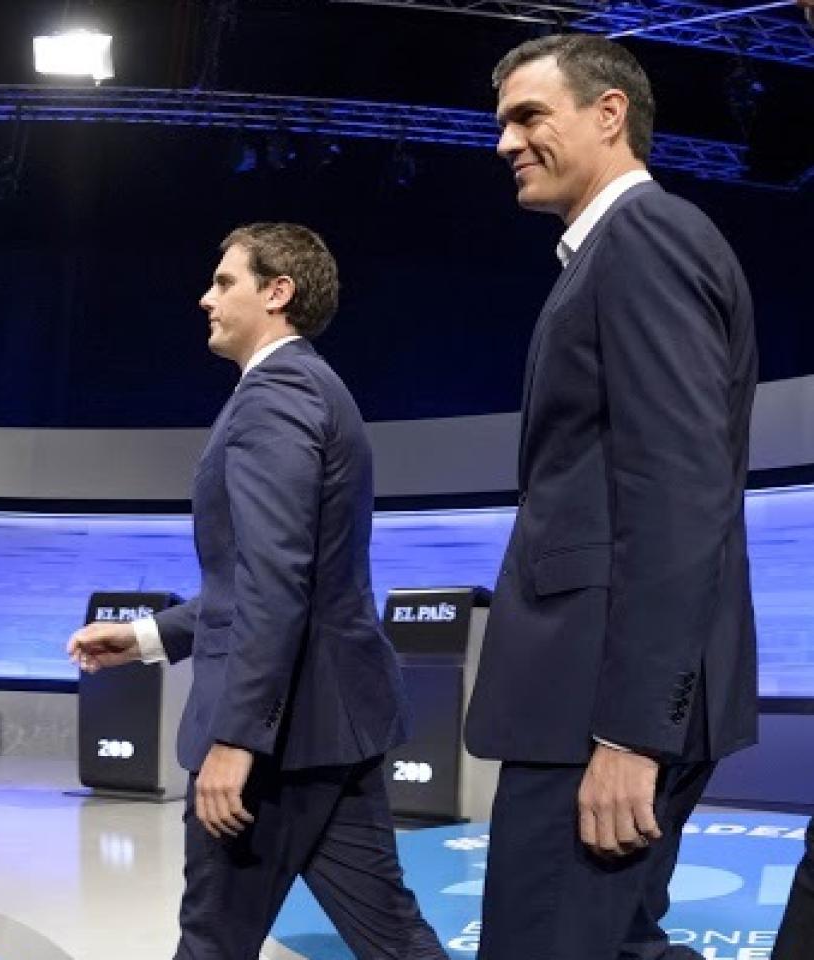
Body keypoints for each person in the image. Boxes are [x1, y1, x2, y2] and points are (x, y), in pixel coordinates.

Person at [68, 223, 443, 959]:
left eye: (224, 282)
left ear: (279, 293)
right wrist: (149, 637)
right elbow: (272, 578)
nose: (204, 297)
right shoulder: (305, 388)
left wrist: (237, 739)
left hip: (278, 744)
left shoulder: (275, 397)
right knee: (393, 938)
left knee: (212, 941)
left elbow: (276, 581)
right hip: (330, 728)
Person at [464, 35, 758, 960]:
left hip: (600, 708)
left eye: (528, 115)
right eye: (502, 121)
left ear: (609, 114)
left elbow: (678, 491)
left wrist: (631, 733)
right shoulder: (619, 250)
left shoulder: (643, 237)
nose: (505, 141)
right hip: (600, 700)